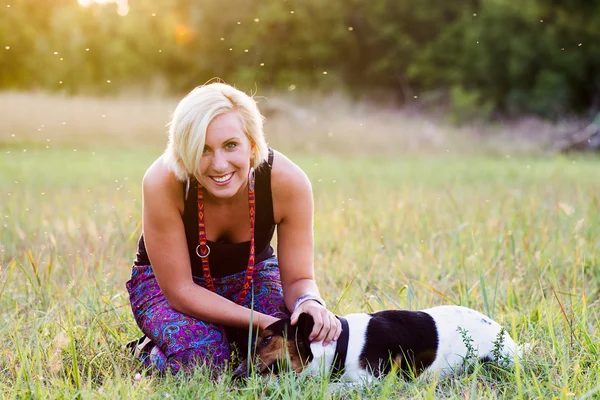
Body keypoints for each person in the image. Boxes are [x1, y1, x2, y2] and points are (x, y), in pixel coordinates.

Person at [125, 82, 341, 374]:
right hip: (169, 285)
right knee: (203, 358)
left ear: (252, 144)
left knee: (288, 348)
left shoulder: (289, 182)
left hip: (250, 276)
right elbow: (180, 290)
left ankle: (227, 338)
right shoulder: (162, 181)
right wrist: (260, 321)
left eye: (230, 145)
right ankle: (147, 350)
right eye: (202, 150)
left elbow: (298, 279)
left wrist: (308, 302)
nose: (219, 165)